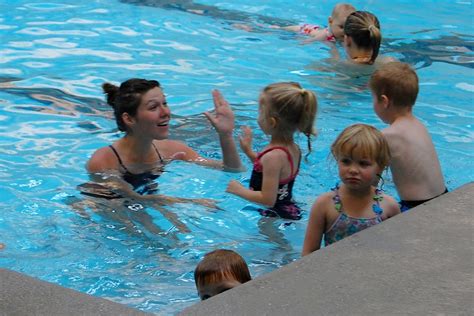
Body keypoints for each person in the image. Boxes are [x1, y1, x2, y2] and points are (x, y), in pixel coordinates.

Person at [86, 78, 242, 201]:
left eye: (165, 103)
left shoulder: (171, 149)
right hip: (109, 208)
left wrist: (225, 135)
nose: (165, 112)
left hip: (146, 201)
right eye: (153, 107)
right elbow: (135, 198)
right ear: (129, 119)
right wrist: (192, 202)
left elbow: (231, 170)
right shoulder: (104, 161)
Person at [302, 124, 400, 256]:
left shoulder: (389, 207)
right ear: (337, 160)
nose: (353, 170)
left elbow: (395, 251)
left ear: (380, 166)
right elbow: (308, 253)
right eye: (346, 161)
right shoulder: (324, 205)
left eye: (363, 163)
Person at [226, 82, 317, 220]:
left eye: (260, 112)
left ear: (272, 122)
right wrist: (249, 152)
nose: (258, 117)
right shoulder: (293, 148)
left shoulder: (273, 156)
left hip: (273, 214)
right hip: (288, 207)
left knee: (270, 238)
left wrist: (239, 190)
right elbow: (269, 172)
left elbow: (268, 200)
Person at [369, 62, 447, 212]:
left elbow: (371, 184)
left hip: (415, 209)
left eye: (373, 98)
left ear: (384, 101)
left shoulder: (387, 136)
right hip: (444, 197)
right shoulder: (419, 125)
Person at [281, 3, 356, 42]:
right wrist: (302, 42)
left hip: (316, 28)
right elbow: (311, 40)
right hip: (305, 29)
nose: (344, 31)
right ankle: (278, 27)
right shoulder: (325, 35)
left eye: (348, 27)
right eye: (341, 27)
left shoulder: (343, 35)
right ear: (330, 21)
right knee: (288, 28)